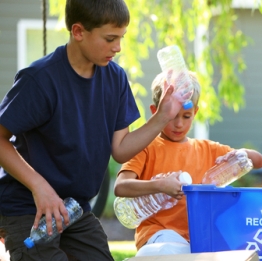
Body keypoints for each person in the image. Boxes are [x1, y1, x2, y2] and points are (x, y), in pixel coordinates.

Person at [0, 0, 183, 260]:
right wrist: (40, 187)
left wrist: (163, 116)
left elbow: (120, 149)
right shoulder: (39, 80)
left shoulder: (116, 79)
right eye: (110, 39)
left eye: (121, 38)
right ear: (78, 32)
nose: (118, 48)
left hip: (75, 209)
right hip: (28, 206)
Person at [114, 71, 262, 256]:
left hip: (198, 238)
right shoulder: (144, 146)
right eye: (172, 116)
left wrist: (241, 155)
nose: (179, 124)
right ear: (156, 112)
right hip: (159, 236)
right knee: (169, 251)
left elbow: (258, 161)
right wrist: (159, 186)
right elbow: (121, 187)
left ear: (195, 112)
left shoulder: (208, 149)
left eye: (186, 116)